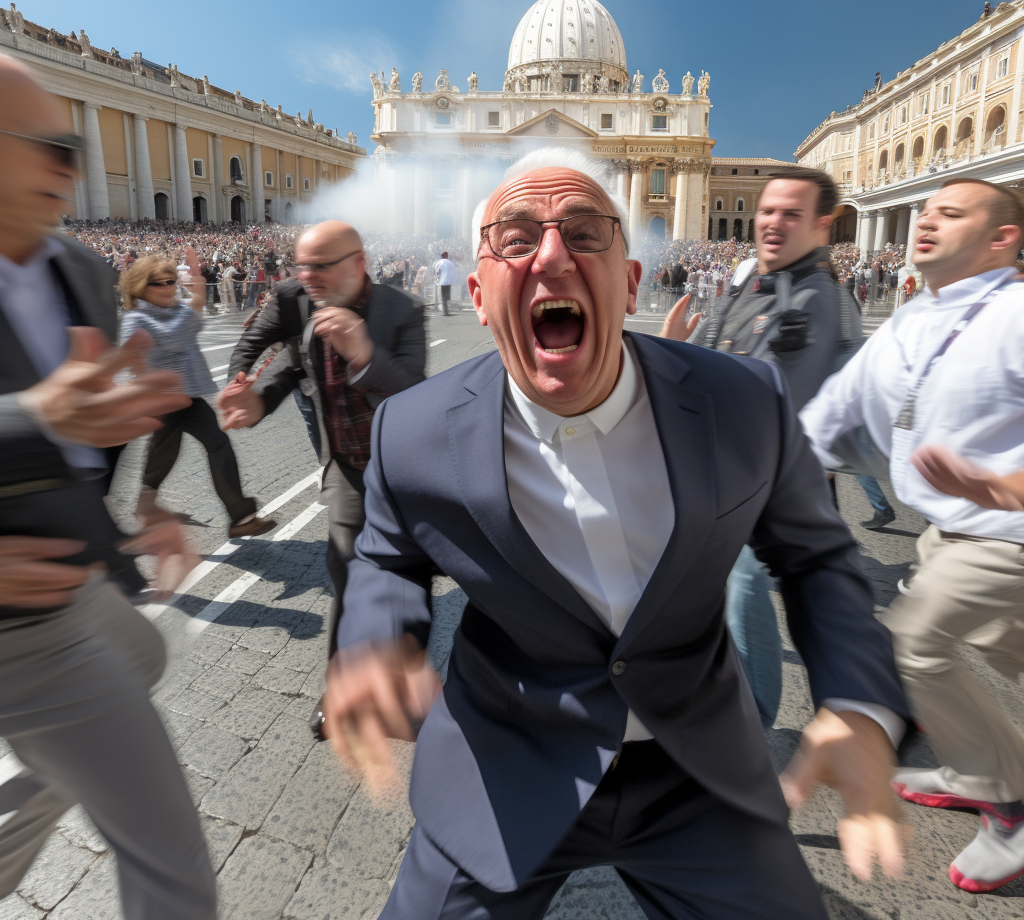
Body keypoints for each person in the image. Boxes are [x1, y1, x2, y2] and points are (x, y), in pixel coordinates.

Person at [322, 148, 909, 920]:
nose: (554, 255)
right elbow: (386, 558)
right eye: (517, 236)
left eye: (586, 231)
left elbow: (816, 556)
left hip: (695, 771)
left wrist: (860, 702)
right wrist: (373, 641)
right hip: (508, 756)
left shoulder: (744, 400)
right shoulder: (413, 429)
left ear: (631, 283)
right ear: (479, 294)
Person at [0, 53, 217, 919]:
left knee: (146, 652)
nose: (70, 165)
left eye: (73, 147)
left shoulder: (85, 273)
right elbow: (54, 419)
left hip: (77, 583)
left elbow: (92, 431)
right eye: (48, 145)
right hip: (19, 624)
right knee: (174, 868)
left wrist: (134, 519)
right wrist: (37, 416)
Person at [801, 178, 1024, 893]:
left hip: (1008, 531)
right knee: (1003, 646)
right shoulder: (912, 319)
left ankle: (1011, 805)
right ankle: (978, 762)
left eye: (950, 213)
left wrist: (1003, 488)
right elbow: (830, 416)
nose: (926, 220)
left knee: (911, 644)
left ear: (1003, 239)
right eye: (924, 211)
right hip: (945, 530)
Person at [661, 167, 890, 727]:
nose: (772, 222)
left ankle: (751, 735)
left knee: (744, 593)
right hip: (718, 484)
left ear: (821, 224)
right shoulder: (749, 285)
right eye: (767, 210)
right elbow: (714, 371)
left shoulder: (826, 300)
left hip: (769, 495)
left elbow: (851, 405)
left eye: (791, 213)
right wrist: (672, 356)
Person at [218, 220, 426, 738]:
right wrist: (254, 398)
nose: (306, 276)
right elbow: (289, 369)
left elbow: (414, 396)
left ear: (357, 263)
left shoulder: (403, 311)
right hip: (348, 468)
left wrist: (365, 355)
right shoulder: (303, 304)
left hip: (403, 468)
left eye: (319, 266)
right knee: (349, 574)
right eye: (301, 266)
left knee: (410, 577)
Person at [120, 251, 277, 538]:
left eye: (171, 281)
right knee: (165, 455)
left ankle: (240, 517)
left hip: (187, 397)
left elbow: (192, 319)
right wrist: (196, 299)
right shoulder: (137, 319)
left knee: (204, 447)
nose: (169, 287)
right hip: (163, 401)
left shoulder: (173, 310)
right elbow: (177, 334)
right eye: (161, 283)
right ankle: (147, 510)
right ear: (141, 287)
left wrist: (197, 289)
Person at [434, 250, 458, 315]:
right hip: (449, 282)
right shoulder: (450, 263)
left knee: (443, 298)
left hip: (442, 282)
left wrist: (436, 278)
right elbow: (455, 271)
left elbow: (437, 271)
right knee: (447, 297)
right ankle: (448, 309)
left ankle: (445, 311)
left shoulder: (439, 262)